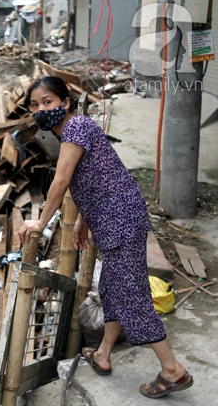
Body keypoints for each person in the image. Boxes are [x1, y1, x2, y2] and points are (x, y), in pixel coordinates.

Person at [17, 76, 193, 399]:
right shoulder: (74, 130)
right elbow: (98, 173)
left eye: (48, 102)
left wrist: (41, 223)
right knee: (112, 288)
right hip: (113, 218)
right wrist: (82, 219)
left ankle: (172, 370)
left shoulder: (74, 128)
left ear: (65, 104)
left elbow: (62, 180)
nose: (41, 109)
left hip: (120, 219)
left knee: (132, 298)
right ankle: (103, 354)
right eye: (35, 105)